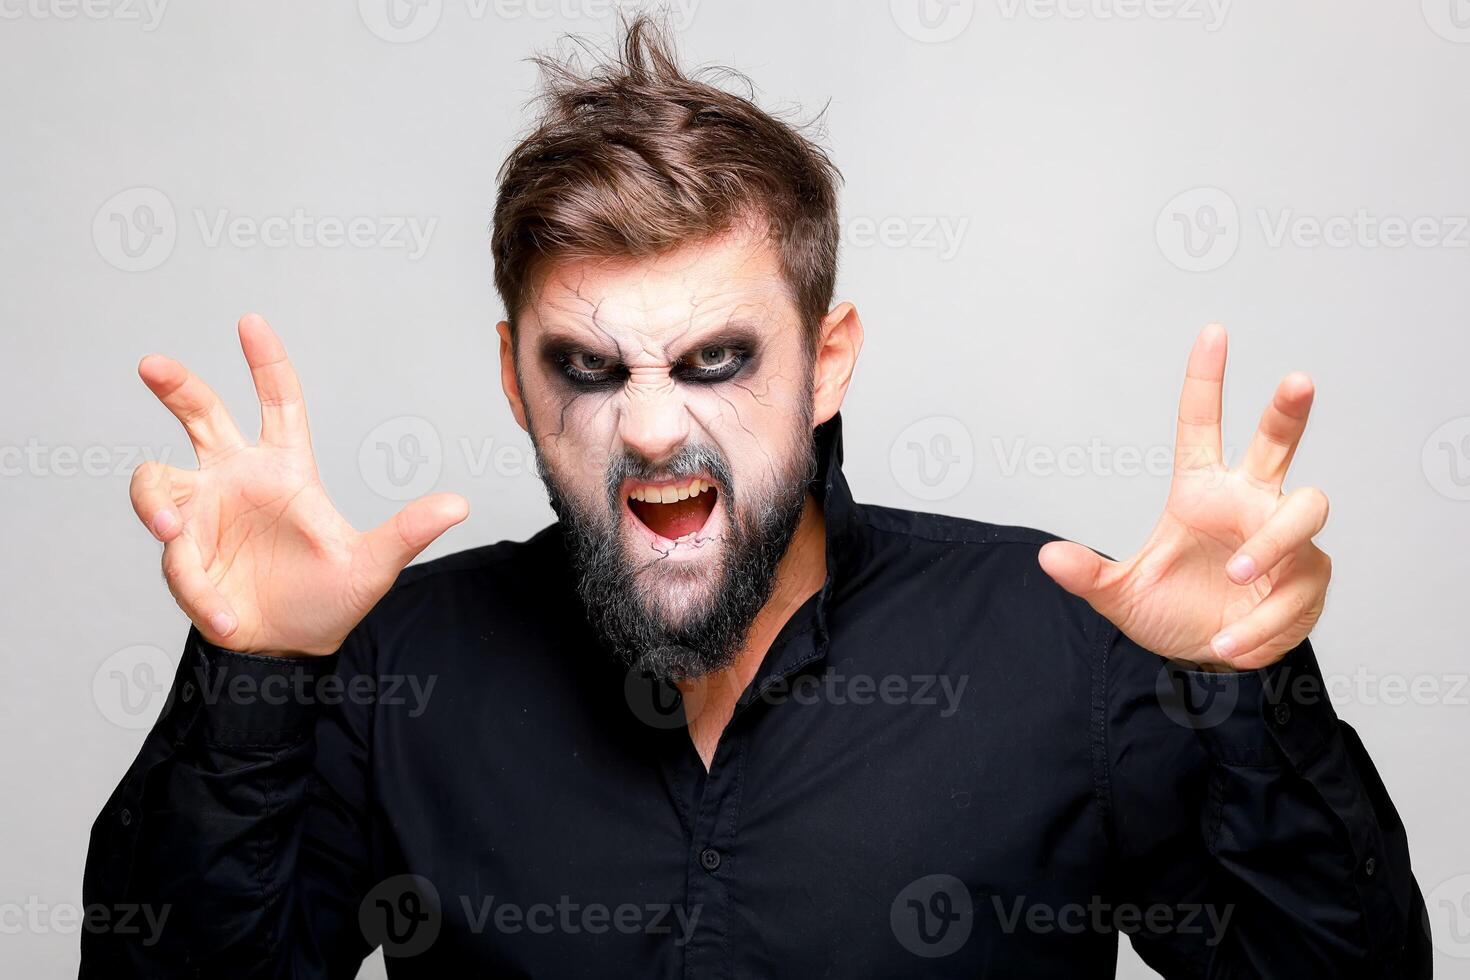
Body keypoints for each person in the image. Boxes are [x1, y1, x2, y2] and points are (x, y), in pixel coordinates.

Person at [82, 15, 1428, 978]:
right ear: (511, 379)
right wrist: (252, 672)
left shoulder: (1065, 646)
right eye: (588, 368)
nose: (654, 426)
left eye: (717, 361)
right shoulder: (394, 666)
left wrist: (1251, 689)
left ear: (824, 362)